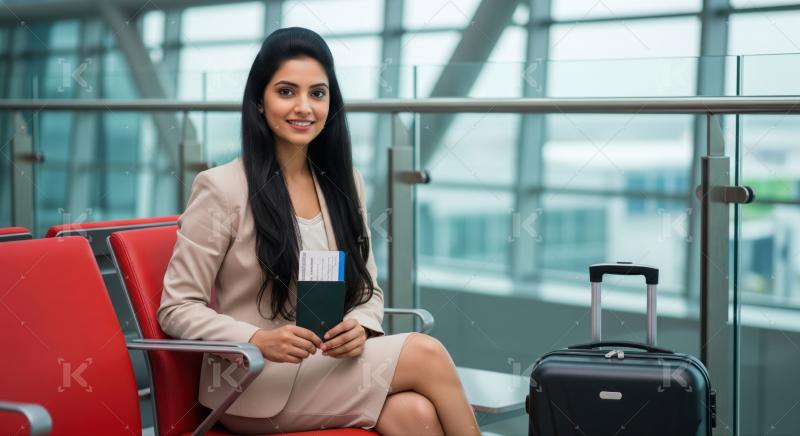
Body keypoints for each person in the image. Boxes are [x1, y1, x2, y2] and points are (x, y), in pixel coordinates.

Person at [157, 27, 480, 435]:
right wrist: (257, 338)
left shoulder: (344, 183)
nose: (304, 107)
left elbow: (368, 292)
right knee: (425, 352)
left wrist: (361, 326)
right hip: (255, 382)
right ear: (259, 100)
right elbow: (176, 308)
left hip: (326, 366)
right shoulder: (222, 188)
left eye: (318, 93)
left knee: (414, 414)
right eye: (287, 91)